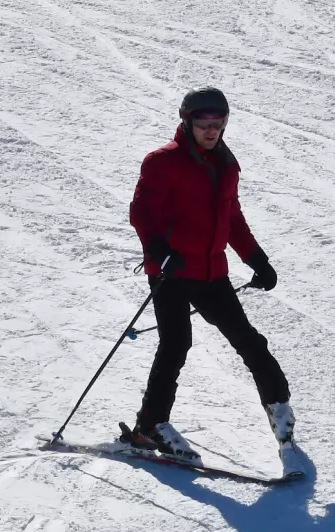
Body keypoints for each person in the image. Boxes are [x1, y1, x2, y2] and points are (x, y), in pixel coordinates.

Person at [124, 87, 294, 467]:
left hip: (211, 272)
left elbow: (231, 218)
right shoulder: (162, 162)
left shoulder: (226, 165)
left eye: (218, 123)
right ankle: (148, 428)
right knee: (175, 344)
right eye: (204, 123)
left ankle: (281, 412)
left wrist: (256, 259)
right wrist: (160, 252)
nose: (212, 130)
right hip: (171, 271)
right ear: (188, 122)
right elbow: (142, 213)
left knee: (249, 341)